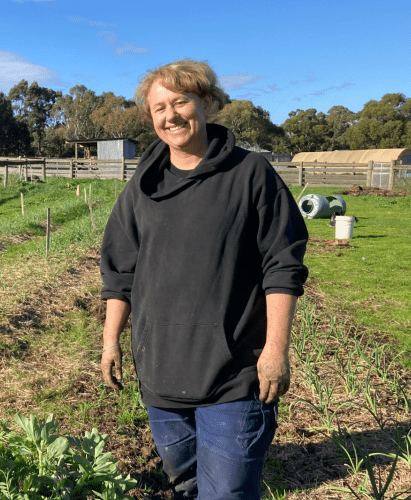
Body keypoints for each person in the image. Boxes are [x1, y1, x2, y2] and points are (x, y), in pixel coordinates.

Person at [99, 59, 308, 499]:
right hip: (159, 374)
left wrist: (275, 349)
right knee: (187, 485)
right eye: (159, 108)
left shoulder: (251, 175)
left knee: (227, 493)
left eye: (181, 102)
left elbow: (283, 266)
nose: (170, 116)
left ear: (207, 103)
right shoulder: (143, 185)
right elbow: (120, 270)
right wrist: (111, 341)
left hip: (234, 374)